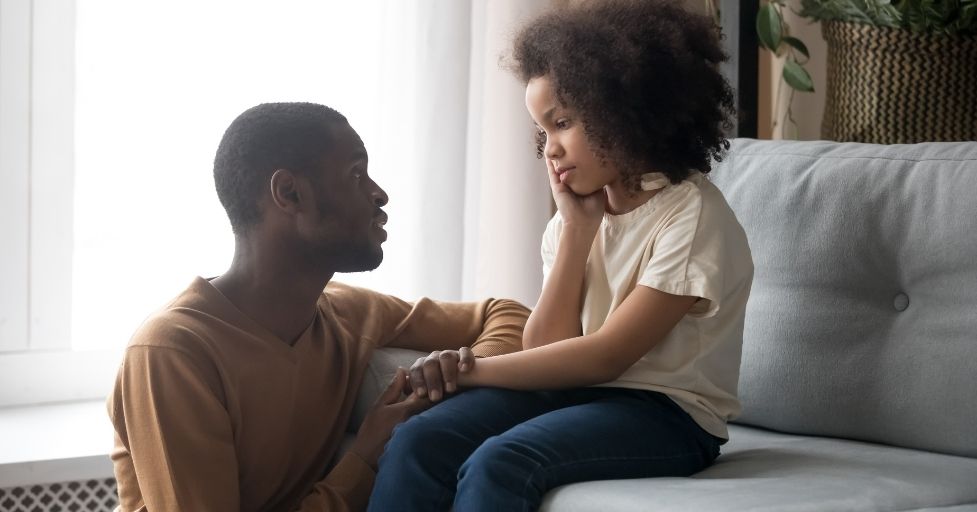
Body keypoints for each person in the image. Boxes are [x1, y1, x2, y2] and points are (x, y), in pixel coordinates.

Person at [368, 1, 754, 510]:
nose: (550, 148)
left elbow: (606, 355)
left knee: (500, 461)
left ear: (622, 109)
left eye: (563, 122)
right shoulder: (571, 224)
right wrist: (576, 231)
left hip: (669, 415)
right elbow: (546, 346)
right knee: (419, 439)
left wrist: (471, 370)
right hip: (577, 393)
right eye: (543, 131)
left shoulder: (690, 215)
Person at [105, 102, 529, 512]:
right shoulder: (174, 353)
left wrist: (463, 371)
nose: (379, 194)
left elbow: (508, 315)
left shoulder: (349, 313)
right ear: (289, 193)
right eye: (356, 174)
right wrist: (364, 459)